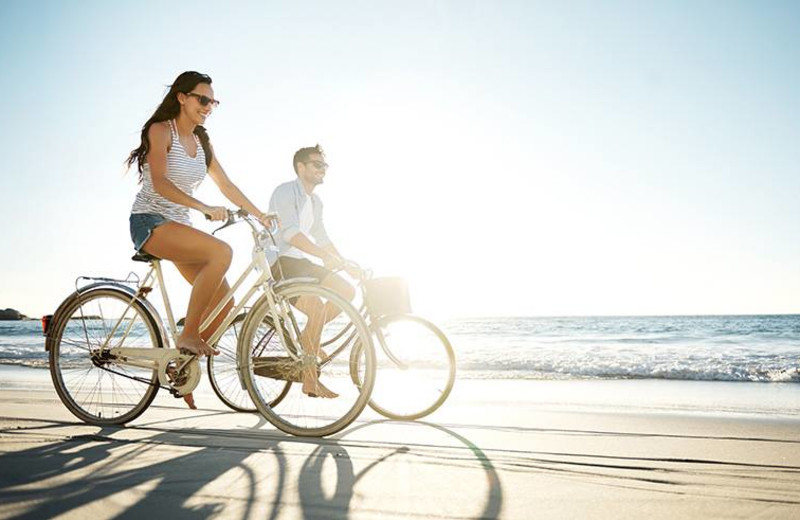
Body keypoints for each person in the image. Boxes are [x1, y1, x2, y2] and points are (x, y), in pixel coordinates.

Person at [126, 71, 276, 406]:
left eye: (213, 101)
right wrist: (203, 207)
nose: (208, 106)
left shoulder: (203, 142)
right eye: (202, 99)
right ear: (182, 97)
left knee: (223, 308)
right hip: (149, 223)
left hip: (178, 226)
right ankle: (188, 335)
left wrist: (259, 214)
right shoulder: (161, 130)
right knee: (221, 252)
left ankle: (182, 367)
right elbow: (161, 183)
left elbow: (227, 185)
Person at [268, 145, 356, 398]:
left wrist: (344, 262)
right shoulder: (285, 191)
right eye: (317, 165)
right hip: (280, 260)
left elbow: (322, 237)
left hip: (300, 260)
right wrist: (324, 256)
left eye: (324, 166)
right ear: (301, 167)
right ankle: (309, 380)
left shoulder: (315, 202)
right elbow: (291, 234)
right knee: (316, 309)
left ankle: (308, 338)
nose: (322, 170)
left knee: (346, 290)